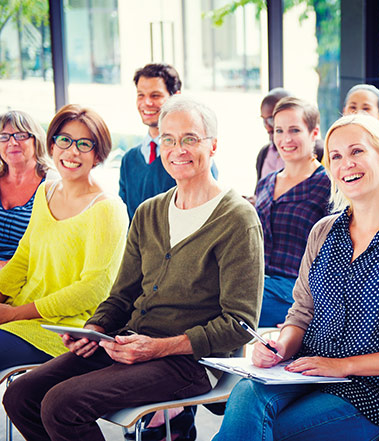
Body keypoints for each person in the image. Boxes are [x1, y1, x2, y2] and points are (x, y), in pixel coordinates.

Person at [3, 96, 264, 441]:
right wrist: (94, 328)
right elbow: (121, 295)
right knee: (21, 395)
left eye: (190, 139)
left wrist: (159, 347)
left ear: (213, 145)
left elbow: (240, 324)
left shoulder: (237, 219)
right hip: (127, 344)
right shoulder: (149, 212)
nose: (177, 149)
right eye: (168, 139)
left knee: (61, 405)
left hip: (192, 362)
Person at [213, 114, 379, 441]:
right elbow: (300, 314)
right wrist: (280, 346)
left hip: (369, 391)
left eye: (357, 151)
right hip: (304, 372)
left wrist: (344, 366)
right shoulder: (323, 231)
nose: (346, 164)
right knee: (245, 395)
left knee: (271, 431)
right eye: (336, 156)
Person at [0, 104, 128, 371]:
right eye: (64, 140)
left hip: (63, 331)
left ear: (98, 154)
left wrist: (13, 313)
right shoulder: (46, 191)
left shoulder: (107, 208)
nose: (72, 151)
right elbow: (23, 257)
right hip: (19, 315)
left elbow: (93, 288)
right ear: (53, 144)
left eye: (84, 144)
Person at [255, 97, 331, 327]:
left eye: (295, 130)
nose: (285, 139)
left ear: (314, 132)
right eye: (279, 130)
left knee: (222, 306)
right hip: (259, 281)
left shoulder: (328, 185)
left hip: (297, 291)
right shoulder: (266, 183)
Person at [119, 63, 218, 220]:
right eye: (141, 95)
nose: (147, 103)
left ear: (176, 97)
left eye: (155, 95)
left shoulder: (189, 158)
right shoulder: (129, 160)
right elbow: (126, 220)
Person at [0, 110, 53, 268]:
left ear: (36, 140)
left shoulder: (52, 184)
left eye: (20, 135)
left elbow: (51, 250)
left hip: (27, 274)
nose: (12, 143)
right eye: (4, 137)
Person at [255, 88, 324, 186]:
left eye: (295, 130)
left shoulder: (321, 152)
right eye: (279, 130)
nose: (267, 127)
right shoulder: (264, 153)